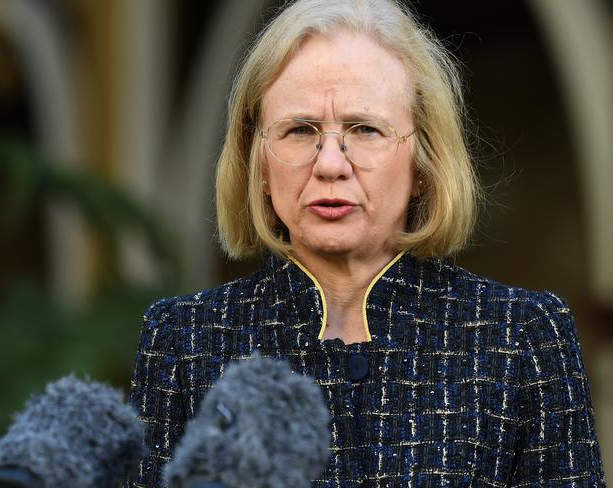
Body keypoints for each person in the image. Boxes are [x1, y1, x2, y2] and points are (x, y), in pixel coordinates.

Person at [126, 0, 606, 486]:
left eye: (365, 129)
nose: (331, 163)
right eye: (299, 130)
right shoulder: (184, 341)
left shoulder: (520, 336)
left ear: (423, 163)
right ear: (259, 162)